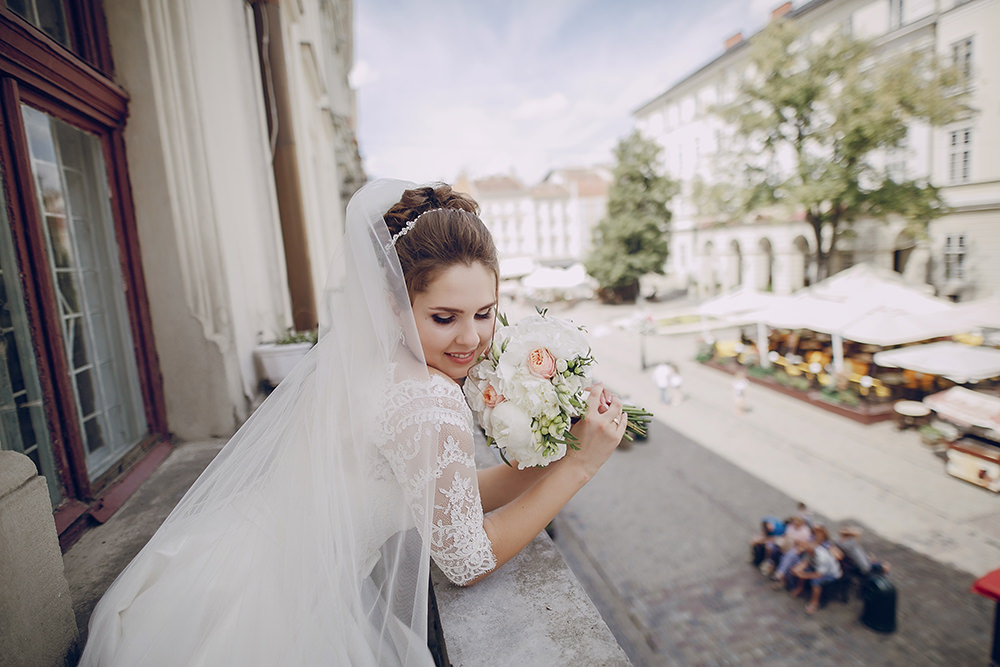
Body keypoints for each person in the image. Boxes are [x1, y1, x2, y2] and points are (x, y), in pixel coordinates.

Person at [80, 180, 628, 666]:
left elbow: (442, 493)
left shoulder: (368, 362)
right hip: (270, 607)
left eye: (484, 313)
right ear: (394, 305)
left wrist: (548, 455)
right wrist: (578, 468)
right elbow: (466, 558)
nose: (471, 339)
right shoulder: (427, 399)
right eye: (444, 317)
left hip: (227, 561)